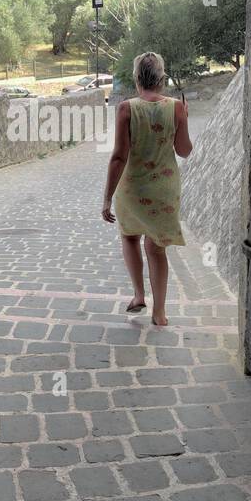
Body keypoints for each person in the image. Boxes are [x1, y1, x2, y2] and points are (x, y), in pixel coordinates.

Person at [101, 51, 193, 326]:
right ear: (163, 79)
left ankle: (139, 295)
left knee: (129, 237)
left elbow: (119, 156)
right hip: (164, 191)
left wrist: (107, 199)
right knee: (157, 249)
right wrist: (184, 118)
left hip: (133, 188)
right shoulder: (176, 107)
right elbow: (184, 150)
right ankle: (160, 312)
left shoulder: (126, 108)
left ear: (136, 78)